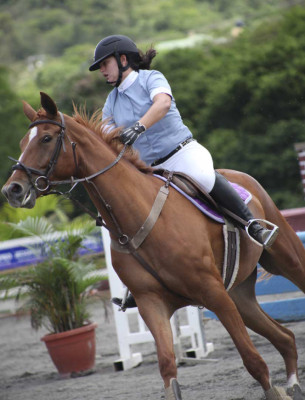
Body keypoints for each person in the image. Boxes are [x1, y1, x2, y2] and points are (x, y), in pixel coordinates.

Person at [89, 34, 279, 309]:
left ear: (122, 59)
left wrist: (139, 126)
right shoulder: (111, 101)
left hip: (182, 154)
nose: (102, 71)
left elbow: (162, 104)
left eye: (105, 64)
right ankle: (141, 283)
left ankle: (253, 225)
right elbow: (106, 136)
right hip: (150, 169)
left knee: (204, 177)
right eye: (100, 67)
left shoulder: (151, 78)